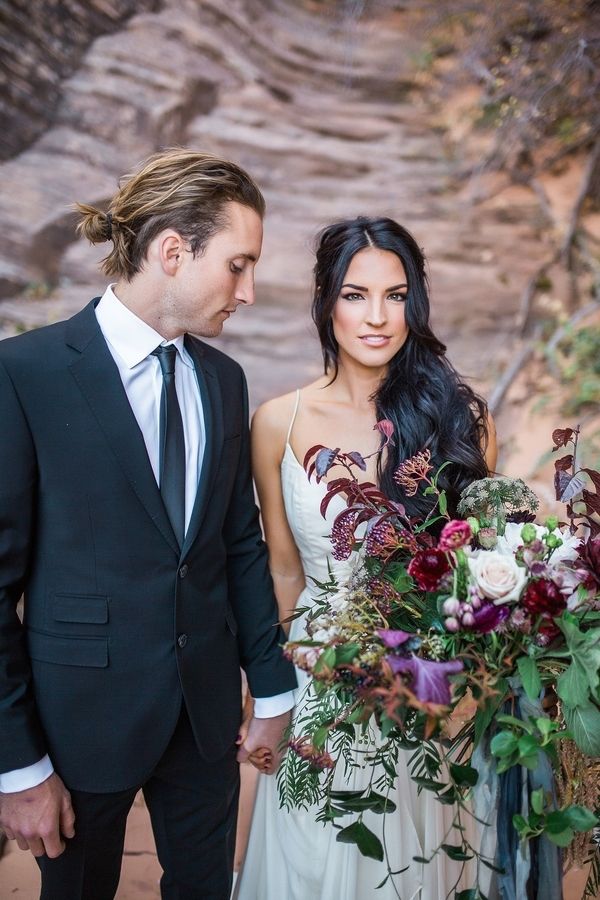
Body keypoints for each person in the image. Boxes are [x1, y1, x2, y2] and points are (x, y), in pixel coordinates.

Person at [0, 148, 297, 900]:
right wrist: (18, 766)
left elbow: (236, 544)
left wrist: (271, 690)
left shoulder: (224, 382)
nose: (249, 291)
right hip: (77, 730)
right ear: (172, 251)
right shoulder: (25, 374)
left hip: (205, 723)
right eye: (238, 265)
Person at [236, 216, 498, 899]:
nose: (378, 317)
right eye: (355, 295)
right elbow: (284, 568)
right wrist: (272, 696)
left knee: (418, 853)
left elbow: (475, 576)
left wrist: (448, 686)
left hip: (429, 681)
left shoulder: (459, 421)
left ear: (416, 303)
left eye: (395, 295)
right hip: (322, 681)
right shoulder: (278, 421)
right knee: (312, 857)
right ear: (325, 303)